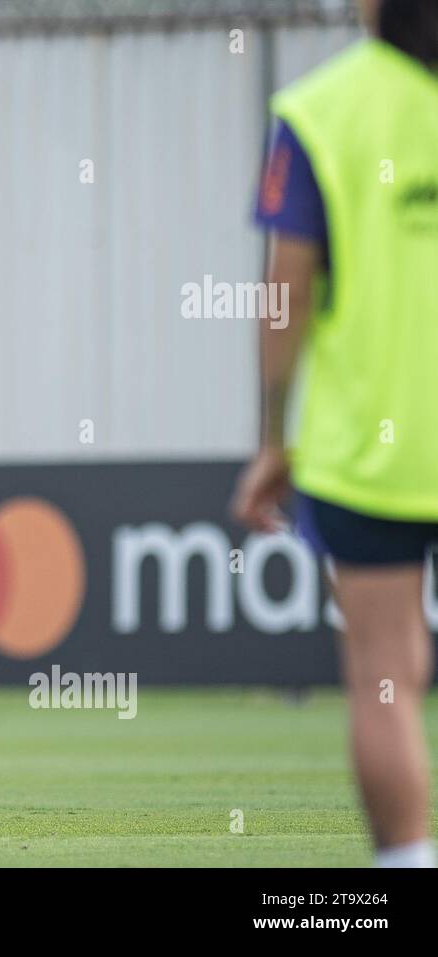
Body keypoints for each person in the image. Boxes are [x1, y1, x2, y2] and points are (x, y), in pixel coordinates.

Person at [231, 0, 438, 867]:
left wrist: (274, 437)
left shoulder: (322, 109)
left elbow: (287, 294)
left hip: (375, 451)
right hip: (375, 451)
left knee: (385, 671)